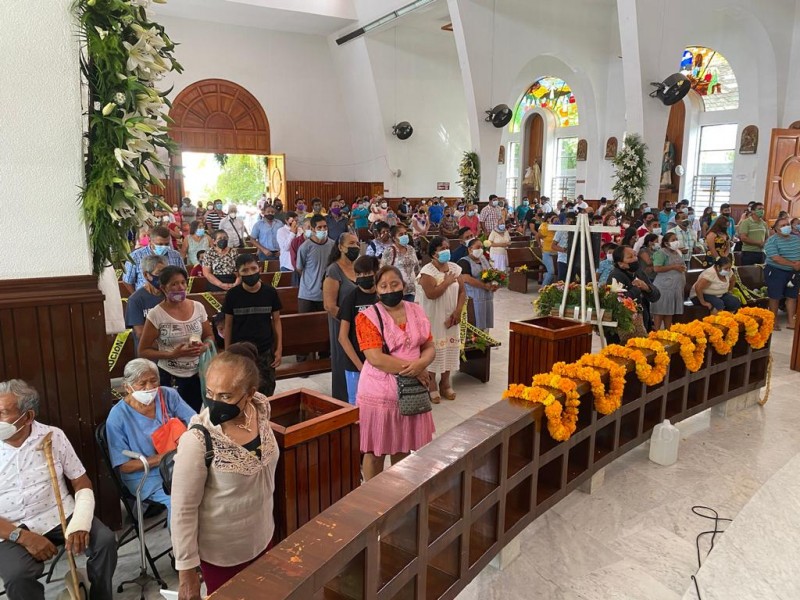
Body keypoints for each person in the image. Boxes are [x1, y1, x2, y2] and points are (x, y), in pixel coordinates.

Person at [171, 350, 279, 597]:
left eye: (225, 395)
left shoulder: (260, 411)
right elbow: (182, 510)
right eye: (210, 393)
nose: (214, 401)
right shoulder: (197, 440)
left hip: (263, 538)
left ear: (249, 394)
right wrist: (187, 573)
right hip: (223, 556)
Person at [0, 380, 117, 600]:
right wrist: (23, 537)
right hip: (8, 527)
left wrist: (81, 522)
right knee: (18, 575)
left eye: (3, 413)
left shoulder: (53, 436)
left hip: (57, 513)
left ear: (28, 417)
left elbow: (81, 481)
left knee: (105, 542)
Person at [355, 266, 436, 480]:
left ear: (403, 285)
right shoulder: (368, 317)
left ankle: (399, 495)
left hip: (411, 394)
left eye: (394, 284)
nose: (390, 289)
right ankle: (374, 501)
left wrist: (423, 363)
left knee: (404, 447)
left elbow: (428, 345)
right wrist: (415, 370)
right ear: (377, 291)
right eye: (383, 286)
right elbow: (375, 358)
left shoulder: (416, 310)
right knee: (375, 452)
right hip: (380, 393)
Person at [106, 358, 195, 521]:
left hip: (177, 465)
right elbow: (124, 466)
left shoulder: (168, 395)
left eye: (154, 381)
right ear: (127, 387)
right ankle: (182, 545)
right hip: (146, 476)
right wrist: (164, 457)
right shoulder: (118, 417)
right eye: (142, 383)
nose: (150, 388)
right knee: (180, 502)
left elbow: (195, 422)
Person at [138, 265, 214, 412]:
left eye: (182, 282)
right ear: (163, 288)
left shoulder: (198, 307)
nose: (180, 287)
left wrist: (204, 347)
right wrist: (172, 354)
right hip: (171, 376)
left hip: (197, 374)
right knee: (173, 416)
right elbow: (143, 350)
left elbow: (209, 336)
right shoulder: (156, 314)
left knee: (193, 414)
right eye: (174, 284)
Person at [223, 254, 283, 396]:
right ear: (237, 273)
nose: (250, 273)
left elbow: (276, 321)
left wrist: (279, 348)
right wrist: (227, 351)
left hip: (264, 349)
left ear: (259, 269)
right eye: (245, 270)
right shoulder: (232, 295)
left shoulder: (270, 292)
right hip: (240, 351)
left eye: (253, 268)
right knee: (241, 390)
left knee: (266, 390)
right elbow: (228, 325)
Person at [417, 237, 466, 403]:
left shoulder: (455, 268)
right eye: (442, 248)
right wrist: (446, 283)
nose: (446, 250)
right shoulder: (427, 271)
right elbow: (431, 294)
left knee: (450, 349)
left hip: (451, 317)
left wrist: (458, 311)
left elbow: (462, 292)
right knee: (434, 351)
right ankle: (431, 386)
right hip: (433, 318)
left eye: (447, 247)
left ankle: (445, 383)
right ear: (434, 253)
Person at [323, 233, 360, 402]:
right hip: (342, 325)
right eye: (351, 243)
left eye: (358, 243)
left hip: (361, 325)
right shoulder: (333, 270)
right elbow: (329, 305)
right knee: (343, 361)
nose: (356, 247)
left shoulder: (359, 268)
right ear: (340, 247)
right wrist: (349, 322)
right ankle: (343, 401)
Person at [338, 256, 379, 405]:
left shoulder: (382, 296)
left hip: (380, 359)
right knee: (356, 403)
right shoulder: (351, 298)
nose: (363, 277)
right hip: (355, 362)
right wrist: (360, 367)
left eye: (367, 273)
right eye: (359, 274)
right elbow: (342, 337)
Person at [297, 215, 336, 361]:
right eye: (319, 228)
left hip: (326, 294)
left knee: (325, 328)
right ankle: (302, 359)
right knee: (305, 328)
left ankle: (324, 357)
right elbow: (300, 269)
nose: (323, 230)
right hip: (306, 294)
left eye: (325, 227)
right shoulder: (305, 247)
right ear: (312, 229)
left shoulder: (333, 245)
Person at [609, 245, 660, 338]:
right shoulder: (615, 276)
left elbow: (656, 296)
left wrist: (647, 288)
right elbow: (618, 301)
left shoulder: (639, 272)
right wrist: (636, 288)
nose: (635, 259)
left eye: (635, 255)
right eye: (630, 257)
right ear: (620, 263)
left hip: (643, 324)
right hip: (624, 331)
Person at [764, 216, 800, 329]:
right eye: (782, 225)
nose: (786, 227)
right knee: (775, 297)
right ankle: (774, 322)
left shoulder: (796, 239)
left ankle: (791, 321)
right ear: (776, 229)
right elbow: (776, 258)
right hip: (776, 271)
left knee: (792, 297)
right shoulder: (772, 240)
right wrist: (794, 264)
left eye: (787, 224)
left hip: (793, 272)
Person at [126, 254, 166, 352]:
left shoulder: (169, 295)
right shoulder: (135, 300)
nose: (163, 277)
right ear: (146, 275)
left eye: (165, 272)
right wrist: (166, 349)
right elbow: (140, 333)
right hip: (149, 354)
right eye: (159, 273)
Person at [650, 232, 687, 330]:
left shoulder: (677, 252)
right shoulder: (661, 253)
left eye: (676, 239)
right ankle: (657, 332)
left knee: (669, 310)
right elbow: (656, 268)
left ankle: (668, 331)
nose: (676, 242)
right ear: (666, 243)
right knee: (660, 310)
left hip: (674, 287)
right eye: (673, 240)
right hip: (664, 287)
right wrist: (674, 267)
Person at [458, 238, 496, 330]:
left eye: (482, 247)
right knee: (476, 323)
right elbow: (467, 278)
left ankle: (486, 339)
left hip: (487, 296)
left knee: (486, 322)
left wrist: (495, 283)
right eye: (478, 247)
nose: (480, 250)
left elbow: (491, 271)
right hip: (474, 298)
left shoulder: (483, 259)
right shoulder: (464, 261)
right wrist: (484, 285)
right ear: (470, 249)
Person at [381, 224, 420, 301]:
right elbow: (383, 270)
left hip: (413, 291)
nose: (404, 236)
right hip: (397, 291)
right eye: (401, 234)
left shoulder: (411, 249)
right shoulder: (389, 251)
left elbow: (416, 268)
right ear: (394, 238)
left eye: (405, 233)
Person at [535, 213, 558, 286]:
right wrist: (540, 245)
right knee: (551, 271)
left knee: (555, 272)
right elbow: (537, 236)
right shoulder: (545, 226)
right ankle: (543, 288)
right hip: (547, 252)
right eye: (552, 218)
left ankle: (546, 277)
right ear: (548, 218)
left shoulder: (558, 227)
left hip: (557, 253)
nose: (554, 220)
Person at [551, 216, 572, 282]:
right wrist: (564, 250)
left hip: (573, 259)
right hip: (563, 259)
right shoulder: (561, 231)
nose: (570, 223)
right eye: (569, 221)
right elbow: (553, 246)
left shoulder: (576, 230)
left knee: (571, 281)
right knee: (561, 282)